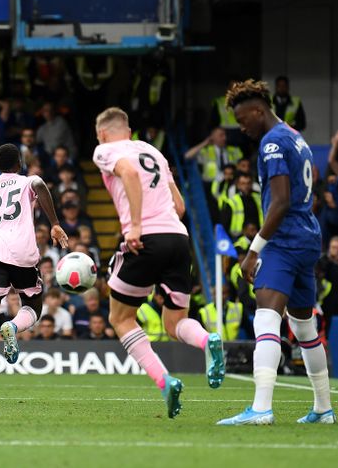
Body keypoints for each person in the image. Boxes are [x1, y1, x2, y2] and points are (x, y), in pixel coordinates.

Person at [93, 106, 224, 420]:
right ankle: (208, 339)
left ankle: (164, 380)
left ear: (102, 133)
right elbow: (178, 206)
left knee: (121, 318)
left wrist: (135, 225)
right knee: (174, 323)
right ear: (130, 129)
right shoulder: (153, 152)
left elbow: (127, 172)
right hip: (178, 238)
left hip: (146, 239)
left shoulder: (105, 150)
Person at [218, 80, 333, 425]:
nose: (242, 128)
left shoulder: (272, 143)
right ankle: (324, 409)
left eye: (242, 120)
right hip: (307, 237)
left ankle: (261, 408)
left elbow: (280, 201)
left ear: (257, 111)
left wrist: (254, 251)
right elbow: (309, 189)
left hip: (284, 242)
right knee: (304, 327)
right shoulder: (295, 136)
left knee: (266, 318)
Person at [0, 143, 68, 405]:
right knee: (33, 304)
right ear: (18, 164)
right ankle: (12, 326)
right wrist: (54, 224)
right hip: (22, 253)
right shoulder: (27, 181)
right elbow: (40, 186)